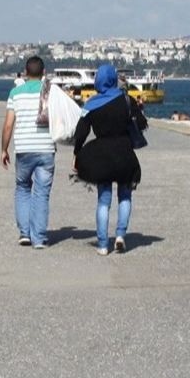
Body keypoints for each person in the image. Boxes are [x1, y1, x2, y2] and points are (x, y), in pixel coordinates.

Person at [72, 62, 146, 255]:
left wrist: (77, 154)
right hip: (124, 152)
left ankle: (103, 244)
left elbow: (80, 134)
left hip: (102, 156)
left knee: (104, 201)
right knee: (125, 196)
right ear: (113, 79)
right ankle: (120, 235)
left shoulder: (91, 104)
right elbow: (142, 123)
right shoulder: (126, 99)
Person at [0, 55, 57, 248]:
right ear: (44, 73)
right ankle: (39, 237)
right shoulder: (50, 92)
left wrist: (4, 149)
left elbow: (8, 125)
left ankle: (25, 233)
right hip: (46, 148)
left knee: (23, 188)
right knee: (41, 193)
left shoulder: (15, 93)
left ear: (25, 73)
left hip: (23, 149)